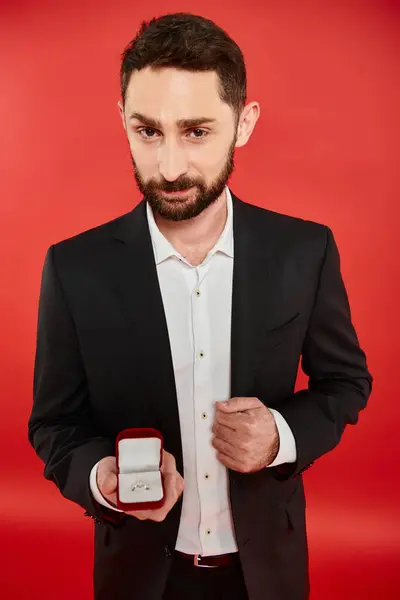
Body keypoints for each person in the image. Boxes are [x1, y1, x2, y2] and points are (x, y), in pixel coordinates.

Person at [28, 12, 373, 600]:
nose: (169, 168)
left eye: (196, 131)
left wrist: (281, 436)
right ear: (122, 121)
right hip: (138, 577)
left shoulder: (305, 250)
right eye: (147, 131)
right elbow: (54, 424)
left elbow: (345, 383)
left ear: (244, 123)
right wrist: (99, 477)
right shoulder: (73, 267)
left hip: (269, 573)